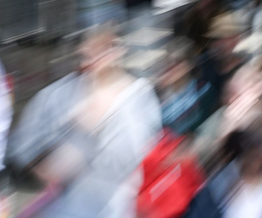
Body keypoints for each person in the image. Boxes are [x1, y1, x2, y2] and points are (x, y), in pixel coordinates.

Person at [8, 27, 162, 218]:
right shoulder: (58, 93)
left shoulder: (138, 95)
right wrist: (44, 164)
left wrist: (89, 129)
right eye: (90, 46)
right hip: (59, 209)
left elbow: (125, 161)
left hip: (110, 211)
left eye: (106, 47)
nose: (96, 55)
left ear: (119, 50)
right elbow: (24, 149)